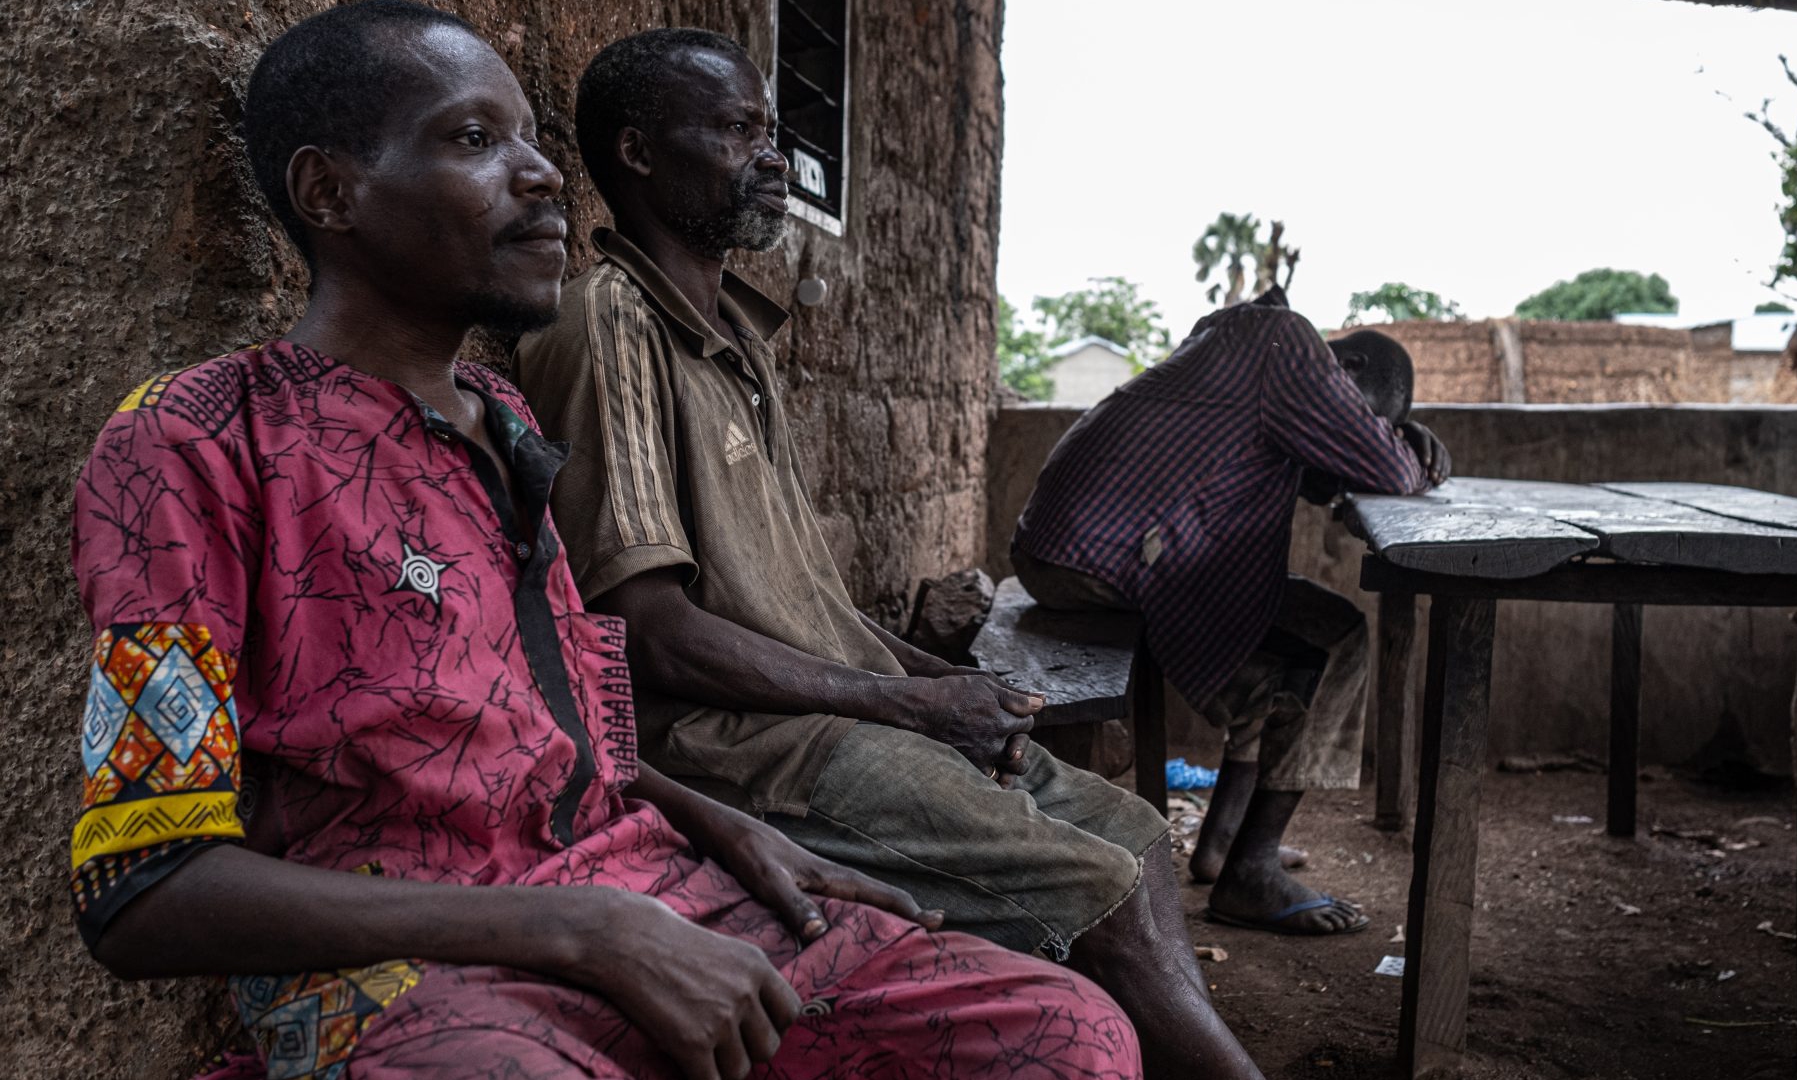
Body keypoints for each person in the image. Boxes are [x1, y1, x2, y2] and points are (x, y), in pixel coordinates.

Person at [66, 6, 1141, 1079]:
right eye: (475, 140)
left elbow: (559, 738)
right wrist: (579, 929)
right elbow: (147, 888)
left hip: (644, 888)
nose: (540, 175)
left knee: (1067, 1035)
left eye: (530, 136)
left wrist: (718, 824)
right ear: (328, 192)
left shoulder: (508, 427)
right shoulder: (195, 440)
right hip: (405, 967)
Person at [513, 28, 1264, 1080]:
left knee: (1133, 834)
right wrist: (910, 708)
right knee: (1090, 884)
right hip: (743, 748)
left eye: (769, 130)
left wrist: (942, 683)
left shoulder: (735, 336)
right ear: (637, 154)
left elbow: (805, 603)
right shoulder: (611, 325)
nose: (769, 155)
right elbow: (649, 636)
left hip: (834, 717)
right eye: (734, 132)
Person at [1013, 305, 1451, 937]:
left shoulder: (1248, 345)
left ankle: (1224, 846)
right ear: (1347, 365)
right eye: (1367, 415)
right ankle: (1249, 870)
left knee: (1273, 642)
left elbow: (1329, 472)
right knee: (1334, 640)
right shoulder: (1289, 344)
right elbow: (1390, 471)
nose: (1361, 428)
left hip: (1072, 548)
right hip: (1095, 558)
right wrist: (1407, 447)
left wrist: (1390, 439)